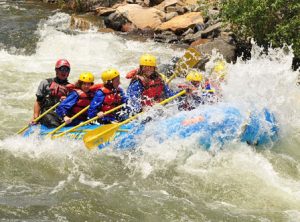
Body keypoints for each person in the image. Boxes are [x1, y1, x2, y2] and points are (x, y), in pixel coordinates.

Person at [31, 59, 73, 128]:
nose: (64, 72)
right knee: (54, 124)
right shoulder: (45, 83)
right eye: (62, 69)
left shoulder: (71, 88)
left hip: (62, 114)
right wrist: (35, 117)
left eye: (66, 70)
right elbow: (38, 101)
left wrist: (67, 99)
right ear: (56, 70)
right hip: (47, 112)